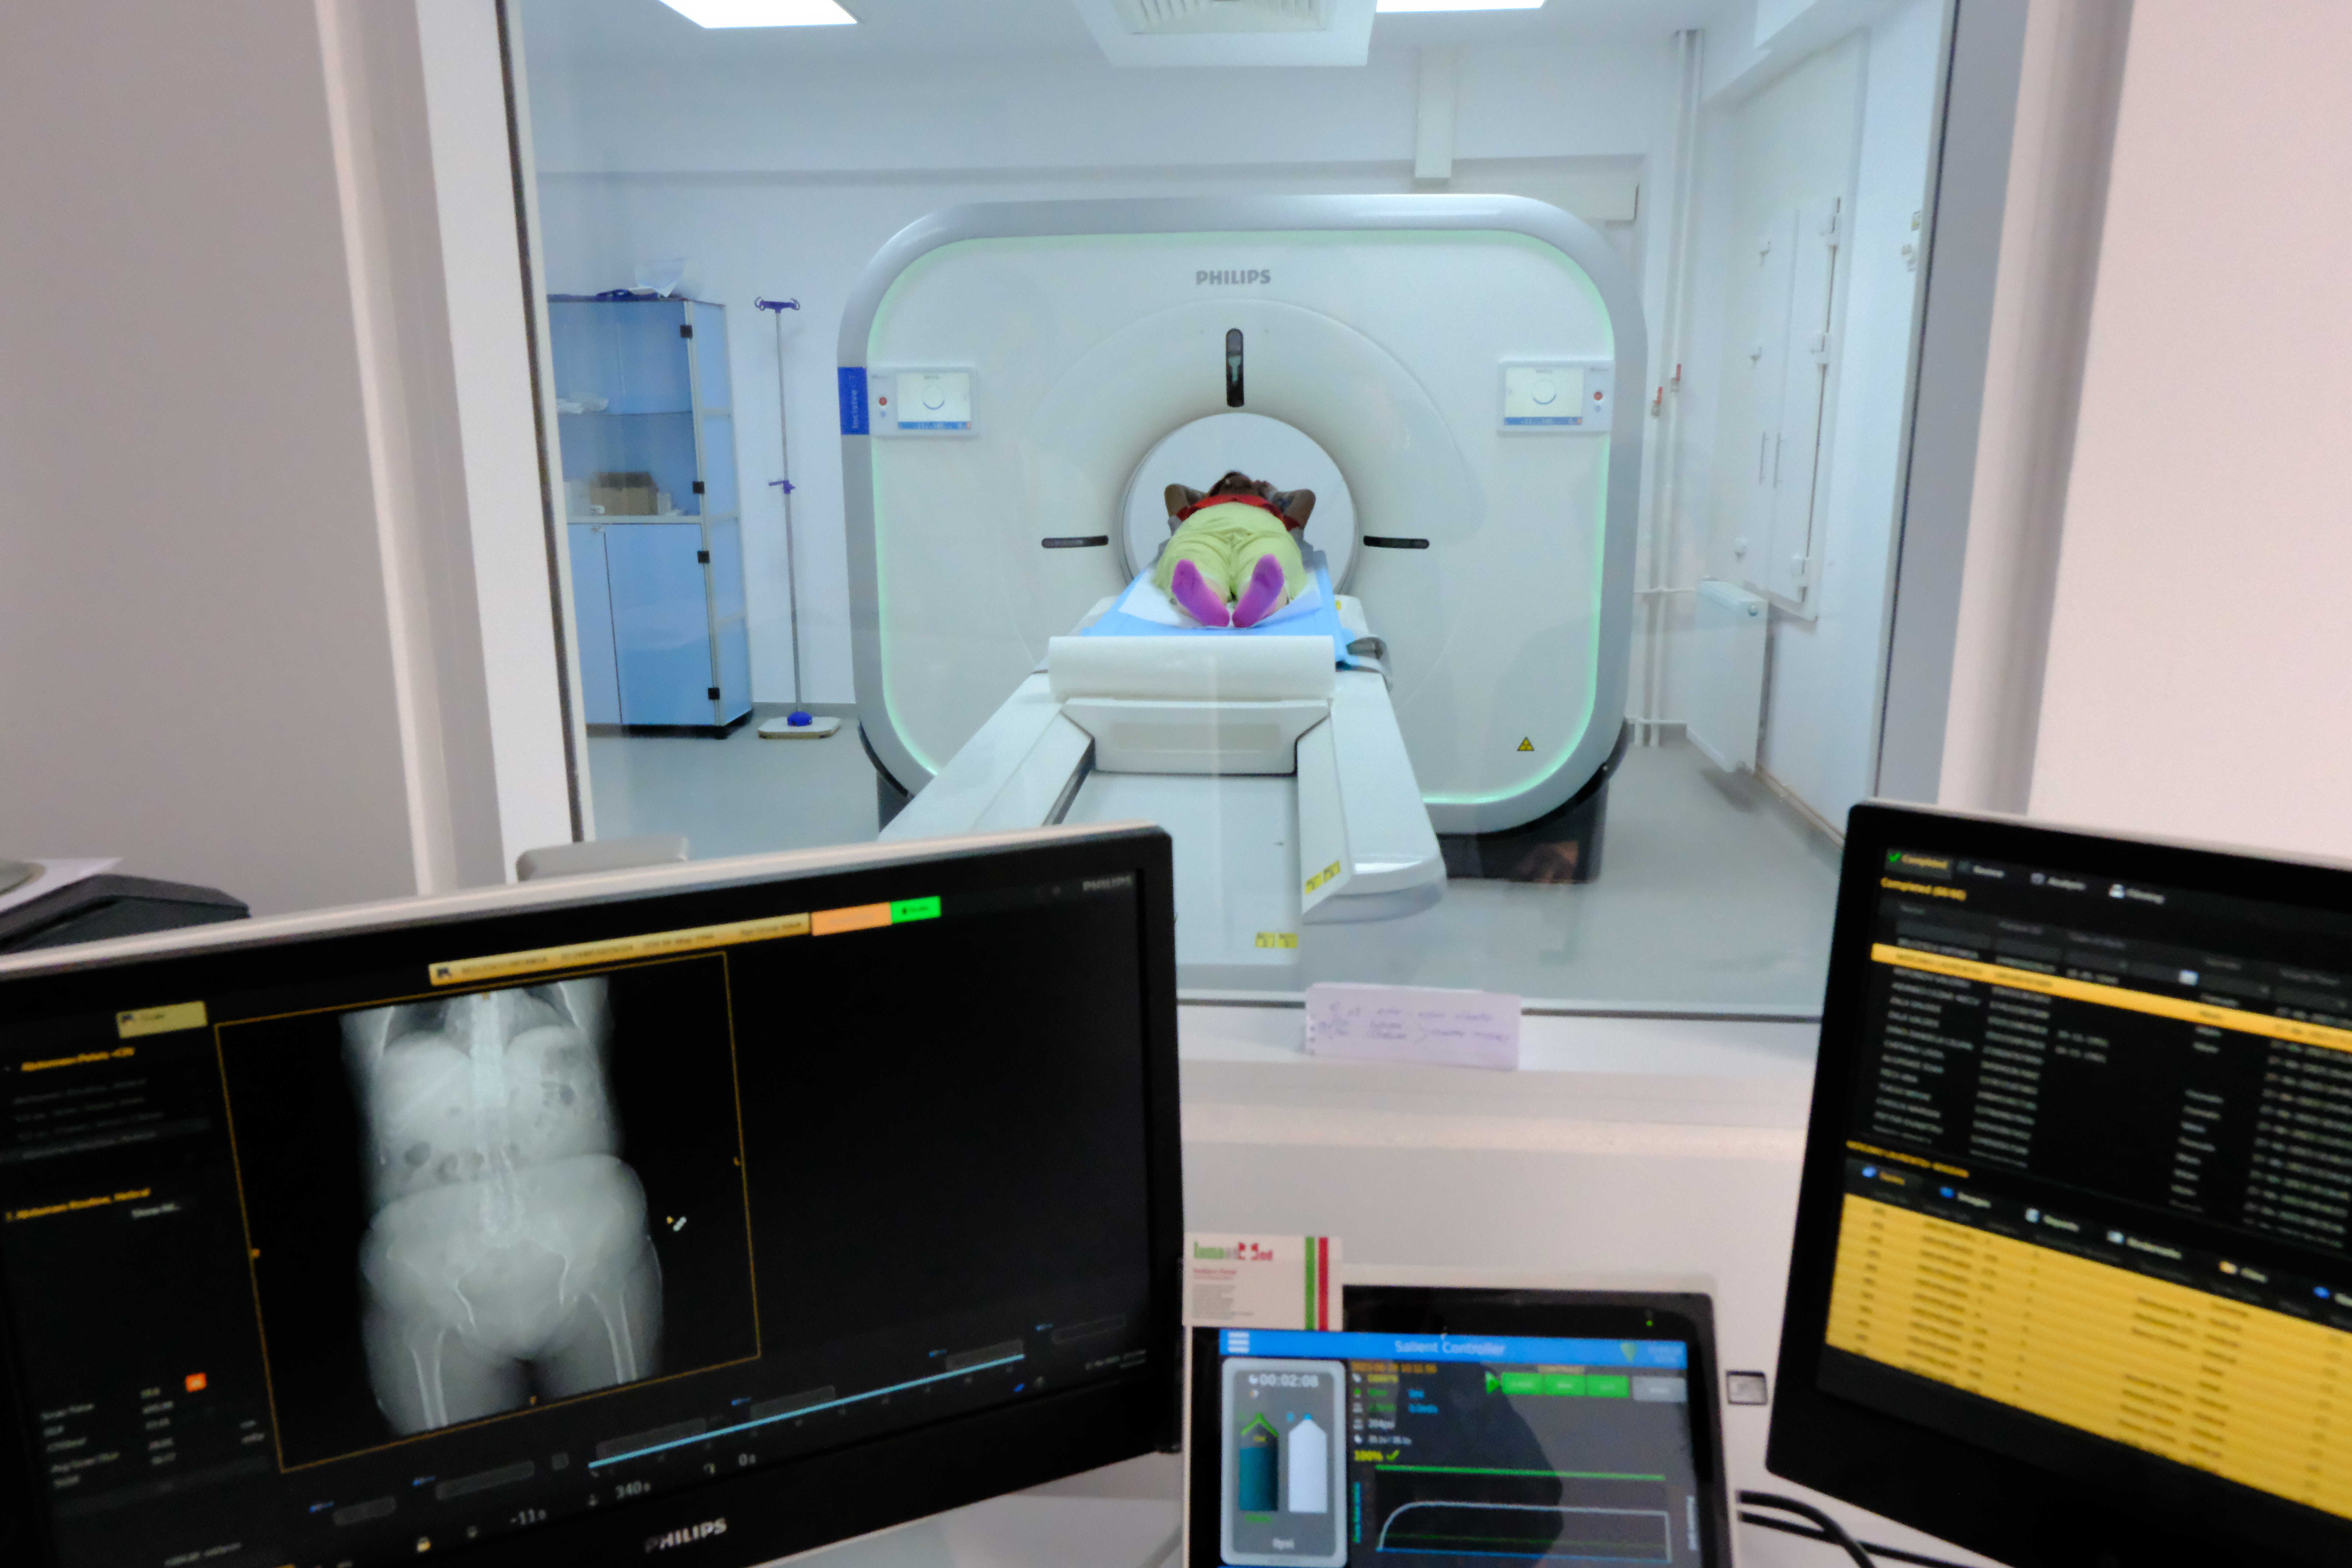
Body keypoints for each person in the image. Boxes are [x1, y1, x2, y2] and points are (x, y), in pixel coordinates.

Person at [1151, 470, 1317, 628]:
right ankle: (1205, 603)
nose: (1237, 482)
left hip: (1262, 533)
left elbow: (1307, 496)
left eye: (1247, 484)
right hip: (1202, 532)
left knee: (1271, 558)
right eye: (1227, 483)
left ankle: (1262, 602)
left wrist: (1273, 495)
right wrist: (1207, 496)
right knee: (1193, 557)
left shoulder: (1272, 509)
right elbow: (1174, 490)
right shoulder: (1196, 509)